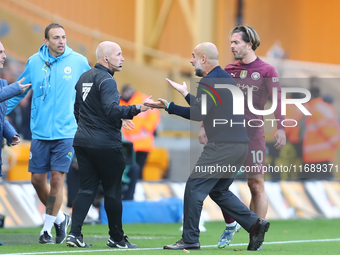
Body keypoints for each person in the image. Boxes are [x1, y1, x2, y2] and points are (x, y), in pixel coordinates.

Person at [145, 42, 269, 251]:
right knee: (219, 190)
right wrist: (185, 94)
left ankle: (190, 239)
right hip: (239, 147)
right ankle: (255, 224)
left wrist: (168, 106)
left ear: (203, 59)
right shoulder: (225, 79)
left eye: (193, 56)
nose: (191, 60)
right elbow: (208, 107)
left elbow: (198, 113)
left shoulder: (209, 81)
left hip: (223, 146)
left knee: (194, 188)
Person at [197, 26, 286, 248]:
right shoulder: (228, 69)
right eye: (231, 42)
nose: (232, 46)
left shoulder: (267, 70)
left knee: (255, 185)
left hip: (253, 136)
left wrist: (281, 127)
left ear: (249, 43)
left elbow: (278, 100)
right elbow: (213, 98)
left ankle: (256, 236)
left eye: (236, 42)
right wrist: (204, 126)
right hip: (226, 134)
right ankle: (231, 223)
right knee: (216, 183)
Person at [6, 23, 91, 244]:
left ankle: (46, 229)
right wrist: (2, 110)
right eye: (56, 38)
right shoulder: (35, 62)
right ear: (46, 41)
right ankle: (61, 218)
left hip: (66, 132)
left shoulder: (78, 61)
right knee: (36, 180)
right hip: (40, 132)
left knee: (56, 179)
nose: (61, 41)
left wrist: (116, 114)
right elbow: (18, 89)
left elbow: (96, 88)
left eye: (63, 37)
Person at [66, 41, 151, 249]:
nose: (122, 58)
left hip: (83, 142)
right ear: (106, 58)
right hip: (105, 144)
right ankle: (117, 238)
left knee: (86, 189)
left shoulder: (84, 78)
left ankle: (74, 234)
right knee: (113, 191)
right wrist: (138, 107)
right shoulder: (107, 80)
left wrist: (94, 127)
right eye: (119, 54)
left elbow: (78, 110)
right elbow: (112, 110)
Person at [0, 41, 31, 245]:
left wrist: (10, 133)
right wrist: (15, 89)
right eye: (0, 52)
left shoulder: (3, 84)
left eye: (3, 51)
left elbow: (0, 117)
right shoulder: (7, 87)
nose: (4, 55)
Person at [300, 78, 340, 179]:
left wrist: (335, 142)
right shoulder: (323, 107)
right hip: (321, 154)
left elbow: (327, 128)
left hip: (316, 155)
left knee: (315, 185)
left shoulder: (315, 109)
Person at [120, 84, 161, 178]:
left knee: (138, 169)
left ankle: (136, 188)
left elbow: (154, 114)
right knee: (127, 171)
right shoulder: (118, 101)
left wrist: (146, 129)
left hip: (142, 144)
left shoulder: (142, 98)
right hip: (125, 144)